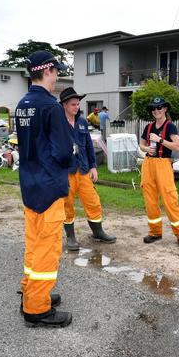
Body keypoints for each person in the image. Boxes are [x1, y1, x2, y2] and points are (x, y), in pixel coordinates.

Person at [15, 50, 74, 328]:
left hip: (30, 185)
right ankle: (37, 308)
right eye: (57, 70)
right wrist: (71, 155)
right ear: (47, 70)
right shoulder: (50, 107)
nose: (58, 75)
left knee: (33, 244)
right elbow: (63, 152)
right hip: (49, 187)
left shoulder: (22, 104)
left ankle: (29, 292)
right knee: (47, 248)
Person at [59, 87, 116, 251]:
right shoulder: (57, 123)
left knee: (93, 201)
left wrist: (93, 166)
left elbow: (90, 147)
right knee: (67, 204)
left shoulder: (82, 122)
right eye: (72, 104)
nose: (76, 107)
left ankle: (98, 232)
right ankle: (71, 237)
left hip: (83, 169)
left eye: (77, 104)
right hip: (66, 171)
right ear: (64, 105)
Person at [138, 97, 179, 247]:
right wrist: (145, 148)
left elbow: (178, 146)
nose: (156, 111)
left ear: (165, 109)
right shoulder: (148, 127)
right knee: (150, 199)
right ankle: (155, 232)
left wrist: (160, 140)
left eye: (159, 108)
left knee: (169, 197)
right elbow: (141, 144)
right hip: (148, 164)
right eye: (153, 109)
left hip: (163, 164)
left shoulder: (170, 127)